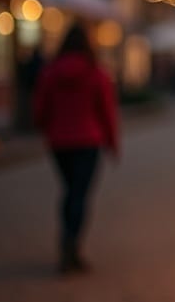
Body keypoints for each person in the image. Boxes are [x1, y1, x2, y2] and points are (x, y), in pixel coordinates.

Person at [33, 22, 120, 274]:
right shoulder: (97, 73)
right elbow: (107, 111)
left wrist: (45, 128)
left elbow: (40, 107)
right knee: (79, 194)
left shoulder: (50, 72)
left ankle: (67, 241)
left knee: (69, 190)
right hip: (88, 141)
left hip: (59, 142)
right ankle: (71, 244)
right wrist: (112, 142)